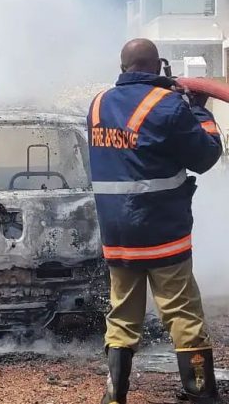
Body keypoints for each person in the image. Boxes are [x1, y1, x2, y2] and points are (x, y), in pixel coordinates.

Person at [89, 38, 224, 404]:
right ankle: (199, 390)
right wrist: (199, 112)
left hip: (117, 234)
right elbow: (207, 156)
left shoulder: (97, 104)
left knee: (122, 315)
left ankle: (114, 395)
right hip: (162, 232)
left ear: (122, 67)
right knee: (182, 311)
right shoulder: (169, 107)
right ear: (157, 66)